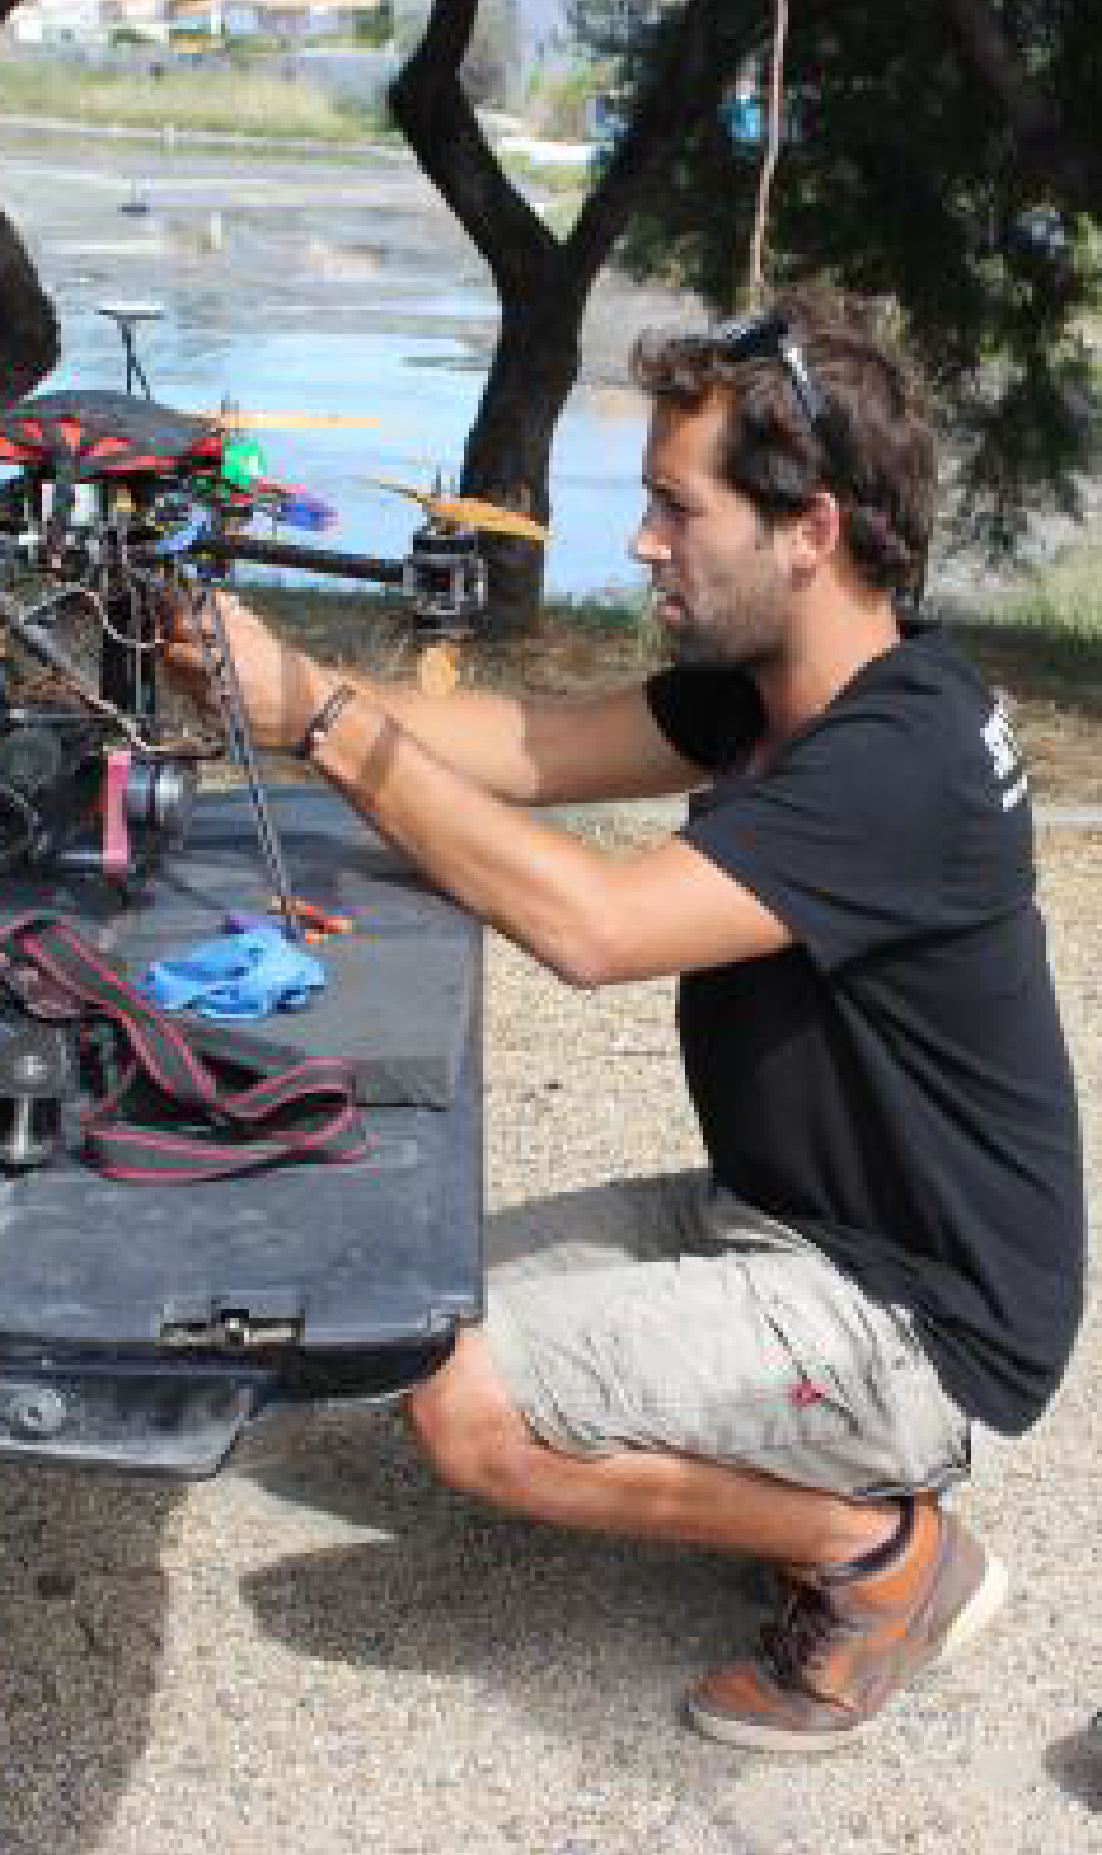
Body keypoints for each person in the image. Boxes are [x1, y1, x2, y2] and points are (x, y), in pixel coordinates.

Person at [163, 286, 1084, 1751]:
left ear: (810, 529)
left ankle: (880, 1554)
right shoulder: (785, 685)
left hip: (914, 1318)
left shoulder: (897, 757)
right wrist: (270, 684)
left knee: (461, 1403)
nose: (640, 541)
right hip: (778, 1217)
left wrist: (319, 726)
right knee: (405, 1298)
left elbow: (591, 929)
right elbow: (527, 745)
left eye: (672, 506)